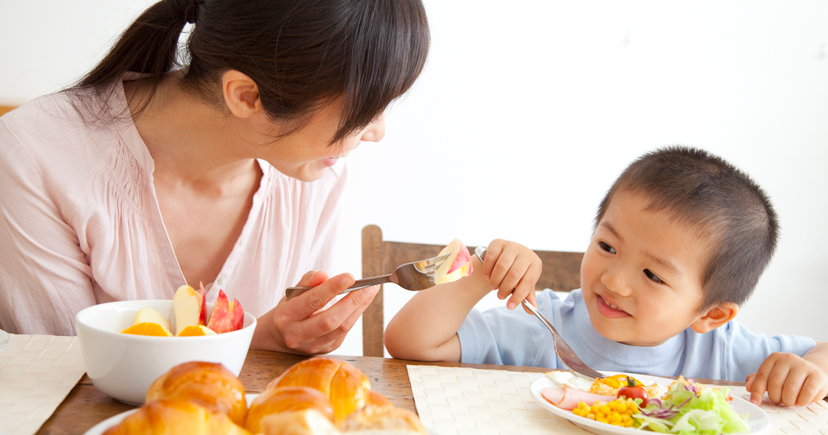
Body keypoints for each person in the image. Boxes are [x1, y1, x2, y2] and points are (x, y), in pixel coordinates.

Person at [0, 0, 430, 356]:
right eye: (361, 112)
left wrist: (297, 340)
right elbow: (63, 375)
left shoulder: (315, 170)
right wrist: (254, 342)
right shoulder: (35, 156)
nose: (377, 133)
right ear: (246, 96)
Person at [384, 146, 828, 407]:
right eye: (607, 247)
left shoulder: (724, 353)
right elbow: (409, 343)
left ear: (711, 314)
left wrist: (806, 372)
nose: (614, 281)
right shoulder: (545, 327)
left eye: (653, 275)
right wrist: (481, 270)